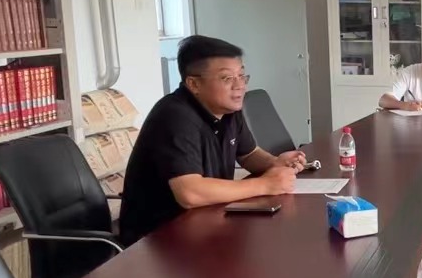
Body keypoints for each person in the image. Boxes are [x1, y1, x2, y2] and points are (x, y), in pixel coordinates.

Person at [119, 35, 303, 246]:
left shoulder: (228, 109)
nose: (239, 86)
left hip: (207, 221)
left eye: (241, 75)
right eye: (227, 78)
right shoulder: (174, 116)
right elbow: (190, 193)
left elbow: (249, 154)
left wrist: (276, 163)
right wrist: (265, 185)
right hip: (156, 241)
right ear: (194, 84)